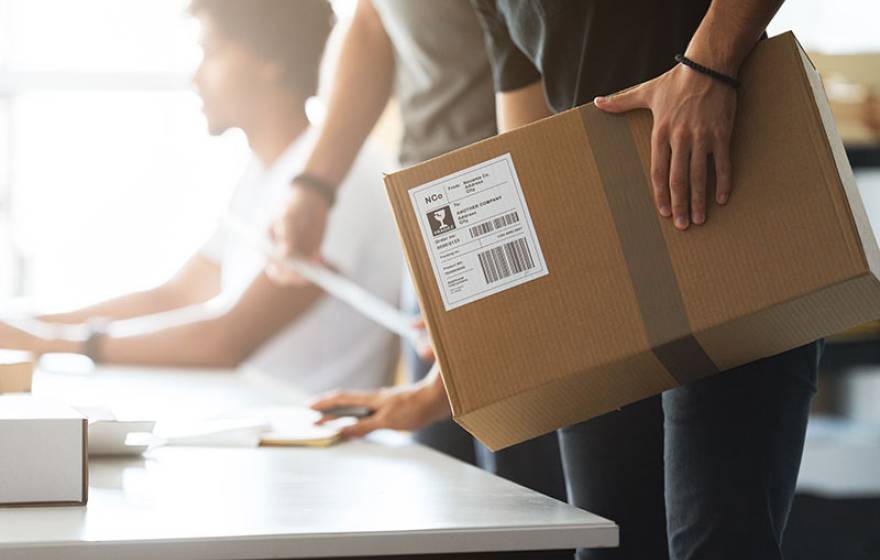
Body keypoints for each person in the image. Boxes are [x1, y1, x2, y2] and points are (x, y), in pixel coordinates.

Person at [309, 2, 823, 559]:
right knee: (607, 543)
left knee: (715, 541)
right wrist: (452, 380)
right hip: (603, 272)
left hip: (733, 212)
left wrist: (707, 67)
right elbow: (522, 173)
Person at [0, 0, 401, 396]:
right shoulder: (263, 174)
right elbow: (175, 296)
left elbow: (224, 339)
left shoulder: (334, 180)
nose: (195, 76)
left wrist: (50, 342)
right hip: (259, 420)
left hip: (320, 438)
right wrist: (27, 324)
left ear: (269, 60)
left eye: (211, 53)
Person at [267, 0, 568, 511]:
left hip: (512, 230)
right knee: (445, 506)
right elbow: (372, 20)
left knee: (524, 514)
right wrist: (315, 185)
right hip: (429, 228)